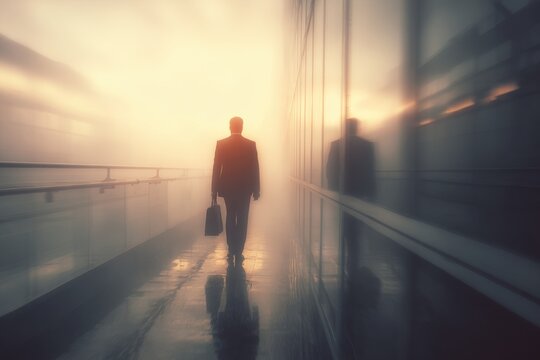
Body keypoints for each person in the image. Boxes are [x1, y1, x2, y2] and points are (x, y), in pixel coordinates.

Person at [212, 116, 260, 263]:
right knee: (243, 219)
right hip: (245, 189)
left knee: (230, 217)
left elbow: (216, 169)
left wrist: (214, 191)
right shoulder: (250, 144)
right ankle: (239, 251)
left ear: (230, 127)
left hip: (228, 189)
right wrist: (256, 189)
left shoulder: (221, 144)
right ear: (242, 127)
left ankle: (231, 249)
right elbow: (255, 169)